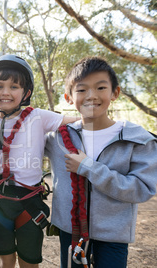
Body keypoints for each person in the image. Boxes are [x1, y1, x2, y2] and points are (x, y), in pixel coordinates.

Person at [45, 56, 157, 268]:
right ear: (69, 97)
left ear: (115, 92)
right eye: (82, 90)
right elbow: (20, 142)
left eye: (100, 87)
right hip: (70, 233)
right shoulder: (57, 137)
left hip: (113, 237)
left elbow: (142, 189)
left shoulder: (138, 140)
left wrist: (88, 167)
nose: (91, 96)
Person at [0, 54, 77, 268]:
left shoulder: (37, 116)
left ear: (26, 92)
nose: (6, 92)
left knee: (29, 260)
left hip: (30, 199)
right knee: (4, 260)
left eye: (14, 87)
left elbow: (77, 122)